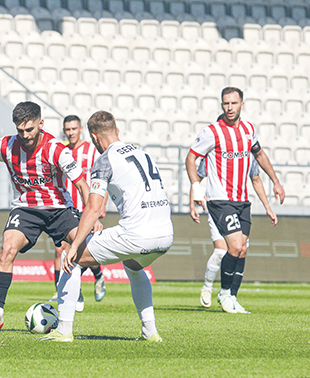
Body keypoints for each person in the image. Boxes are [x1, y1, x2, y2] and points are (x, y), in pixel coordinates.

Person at [0, 101, 101, 330]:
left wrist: (92, 216)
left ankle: (77, 286)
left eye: (30, 130)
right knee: (7, 249)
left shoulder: (56, 149)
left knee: (89, 250)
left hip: (59, 209)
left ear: (41, 124)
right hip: (25, 209)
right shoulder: (7, 145)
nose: (25, 135)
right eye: (20, 130)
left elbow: (82, 186)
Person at [39, 110, 173, 342]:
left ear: (94, 138)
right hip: (166, 234)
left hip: (137, 234)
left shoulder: (104, 160)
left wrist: (75, 245)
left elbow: (92, 209)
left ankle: (63, 331)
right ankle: (150, 332)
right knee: (132, 266)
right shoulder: (143, 152)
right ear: (117, 131)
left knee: (72, 260)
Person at [185, 87, 285, 314]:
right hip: (221, 201)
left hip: (242, 201)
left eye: (233, 103)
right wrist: (195, 192)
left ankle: (232, 296)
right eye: (225, 104)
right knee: (235, 246)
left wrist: (276, 182)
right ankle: (222, 293)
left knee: (243, 250)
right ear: (222, 105)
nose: (229, 108)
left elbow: (259, 155)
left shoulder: (249, 130)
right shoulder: (212, 132)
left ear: (242, 104)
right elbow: (191, 158)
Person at [191, 155, 277, 309]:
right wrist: (193, 202)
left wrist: (267, 207)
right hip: (218, 206)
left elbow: (256, 179)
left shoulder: (248, 155)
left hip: (241, 206)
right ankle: (208, 287)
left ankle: (232, 297)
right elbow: (197, 178)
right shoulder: (215, 153)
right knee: (220, 251)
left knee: (241, 250)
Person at [51, 115, 106, 309]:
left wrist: (100, 209)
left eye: (74, 129)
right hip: (66, 208)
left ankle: (98, 275)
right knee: (60, 251)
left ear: (81, 129)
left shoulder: (92, 151)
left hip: (87, 208)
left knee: (84, 250)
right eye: (67, 130)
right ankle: (65, 292)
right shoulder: (62, 151)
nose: (71, 133)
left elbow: (103, 179)